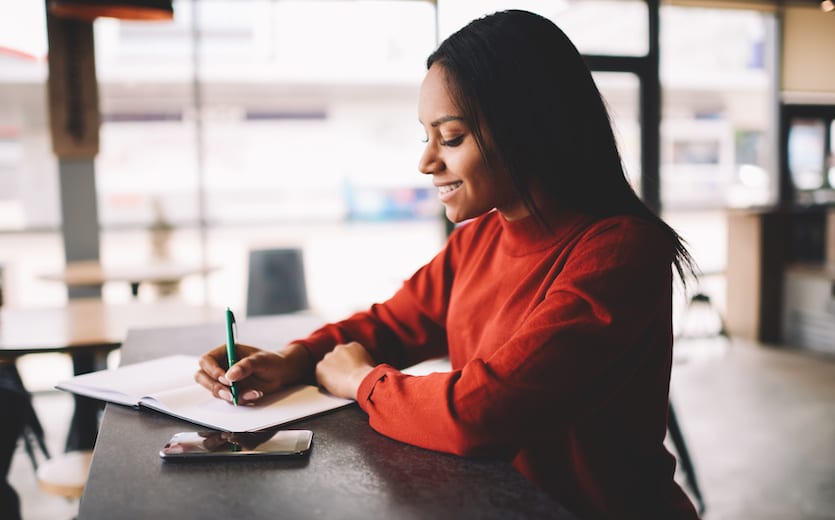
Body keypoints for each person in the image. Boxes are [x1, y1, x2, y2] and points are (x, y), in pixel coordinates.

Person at [196, 9, 700, 519]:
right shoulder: (478, 239)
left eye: (451, 137)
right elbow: (390, 325)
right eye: (426, 137)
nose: (426, 162)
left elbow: (481, 412)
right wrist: (295, 360)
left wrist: (362, 383)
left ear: (529, 131)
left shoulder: (619, 252)